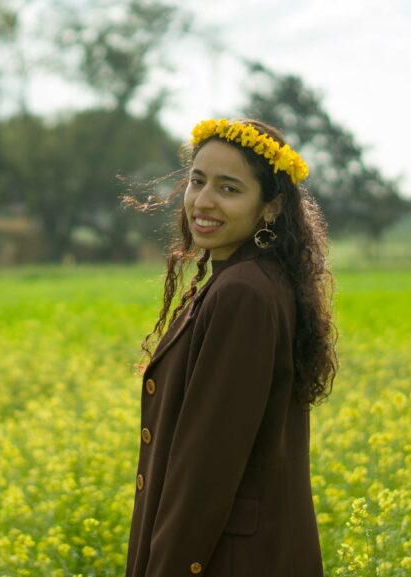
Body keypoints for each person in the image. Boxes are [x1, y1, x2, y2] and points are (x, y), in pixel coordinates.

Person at [122, 118, 339, 576]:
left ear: (271, 208)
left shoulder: (242, 293)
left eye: (229, 188)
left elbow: (207, 469)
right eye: (197, 181)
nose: (203, 201)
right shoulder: (251, 281)